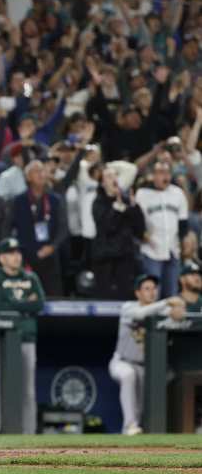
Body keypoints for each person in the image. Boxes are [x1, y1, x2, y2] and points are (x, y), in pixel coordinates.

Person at [109, 274, 186, 435]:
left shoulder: (161, 310)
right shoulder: (128, 307)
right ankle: (129, 426)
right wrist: (166, 302)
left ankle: (143, 429)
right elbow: (141, 314)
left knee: (143, 406)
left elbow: (178, 314)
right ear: (137, 293)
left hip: (148, 367)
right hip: (123, 361)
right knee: (128, 375)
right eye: (147, 289)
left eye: (154, 288)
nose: (152, 292)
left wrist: (178, 311)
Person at [0, 237, 45, 435]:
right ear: (1, 258)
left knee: (28, 391)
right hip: (0, 339)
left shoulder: (31, 278)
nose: (16, 256)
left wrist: (11, 303)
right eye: (11, 253)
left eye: (18, 252)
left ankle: (29, 436)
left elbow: (39, 305)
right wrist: (24, 305)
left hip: (26, 339)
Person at [5, 160, 67, 296]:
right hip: (25, 256)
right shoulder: (17, 201)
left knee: (53, 296)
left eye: (43, 171)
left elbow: (63, 228)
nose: (41, 174)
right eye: (36, 171)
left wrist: (53, 246)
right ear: (27, 177)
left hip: (50, 256)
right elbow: (7, 229)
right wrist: (13, 252)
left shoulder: (55, 200)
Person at [135, 161, 189, 298]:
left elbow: (183, 223)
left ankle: (169, 320)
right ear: (152, 175)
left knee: (171, 294)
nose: (165, 176)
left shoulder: (178, 193)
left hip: (172, 250)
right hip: (151, 250)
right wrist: (142, 235)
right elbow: (135, 221)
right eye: (160, 173)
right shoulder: (142, 194)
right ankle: (152, 320)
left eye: (167, 173)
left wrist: (182, 243)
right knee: (153, 294)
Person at [91, 167, 145, 299]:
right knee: (106, 297)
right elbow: (108, 227)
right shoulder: (98, 203)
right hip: (106, 260)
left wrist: (135, 208)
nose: (114, 179)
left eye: (115, 176)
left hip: (125, 257)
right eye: (109, 176)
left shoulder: (127, 201)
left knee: (125, 294)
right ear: (103, 183)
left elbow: (140, 229)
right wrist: (118, 208)